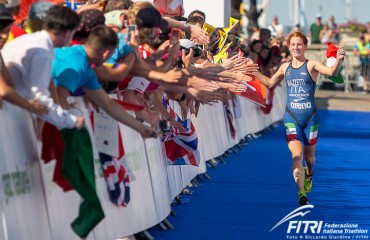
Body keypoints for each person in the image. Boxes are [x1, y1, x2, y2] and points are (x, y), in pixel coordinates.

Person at [251, 32, 345, 206]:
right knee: (296, 155)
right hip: (291, 117)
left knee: (309, 159)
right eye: (293, 45)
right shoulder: (284, 67)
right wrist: (254, 71)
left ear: (305, 46)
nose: (296, 48)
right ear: (289, 46)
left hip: (310, 119)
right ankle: (301, 192)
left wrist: (338, 59)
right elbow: (270, 83)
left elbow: (331, 71)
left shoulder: (312, 65)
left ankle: (309, 174)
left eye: (299, 44)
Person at [52, 25, 158, 138]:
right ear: (106, 53)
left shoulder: (86, 67)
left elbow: (107, 103)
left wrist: (140, 127)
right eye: (113, 53)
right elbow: (58, 101)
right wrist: (71, 113)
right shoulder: (77, 65)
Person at [2, 5, 84, 129]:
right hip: (10, 116)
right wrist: (71, 121)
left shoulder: (32, 40)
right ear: (67, 33)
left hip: (12, 110)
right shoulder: (42, 52)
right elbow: (39, 99)